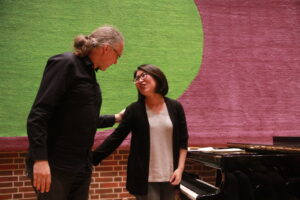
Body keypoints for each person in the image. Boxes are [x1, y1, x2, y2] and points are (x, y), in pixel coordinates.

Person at [26, 25, 124, 200]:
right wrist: (40, 160)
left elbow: (81, 119)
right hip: (56, 164)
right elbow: (38, 115)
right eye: (118, 55)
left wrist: (116, 118)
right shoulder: (66, 64)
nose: (116, 61)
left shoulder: (89, 73)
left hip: (80, 166)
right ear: (106, 49)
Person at [93, 64, 189, 200]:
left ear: (157, 76)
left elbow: (183, 141)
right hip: (144, 177)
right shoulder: (134, 110)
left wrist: (180, 169)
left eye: (143, 75)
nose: (140, 80)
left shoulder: (175, 107)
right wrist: (92, 159)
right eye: (137, 79)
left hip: (170, 176)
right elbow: (116, 138)